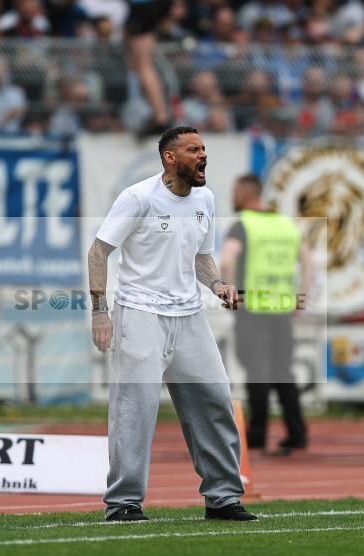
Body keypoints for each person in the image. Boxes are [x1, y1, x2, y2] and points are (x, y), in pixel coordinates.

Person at [88, 126, 257, 522]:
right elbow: (98, 251)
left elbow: (202, 257)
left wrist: (218, 285)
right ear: (170, 157)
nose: (203, 156)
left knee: (216, 401)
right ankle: (124, 502)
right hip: (140, 313)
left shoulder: (206, 199)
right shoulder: (138, 198)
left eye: (204, 148)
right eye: (193, 149)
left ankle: (223, 498)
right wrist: (100, 310)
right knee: (136, 409)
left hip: (190, 316)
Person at [219, 174, 311, 456]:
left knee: (257, 372)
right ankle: (297, 434)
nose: (232, 197)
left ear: (247, 193)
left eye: (235, 191)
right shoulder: (285, 224)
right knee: (283, 371)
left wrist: (231, 293)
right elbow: (308, 262)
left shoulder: (242, 224)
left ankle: (257, 438)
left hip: (252, 308)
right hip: (281, 307)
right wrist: (301, 297)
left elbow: (226, 259)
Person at [125, 0, 174, 137]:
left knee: (144, 66)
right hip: (152, 6)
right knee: (140, 64)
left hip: (142, 6)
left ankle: (160, 116)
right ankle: (157, 113)